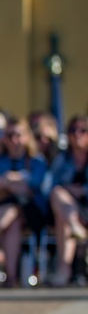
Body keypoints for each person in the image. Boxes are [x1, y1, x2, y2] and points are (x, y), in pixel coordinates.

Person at [0, 117, 49, 287]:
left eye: (19, 135)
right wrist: (11, 182)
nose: (14, 140)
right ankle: (11, 277)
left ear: (27, 137)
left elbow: (36, 184)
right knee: (12, 218)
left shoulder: (36, 160)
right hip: (4, 210)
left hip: (31, 212)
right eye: (10, 135)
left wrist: (8, 181)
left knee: (13, 209)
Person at [47, 114, 88, 286]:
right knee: (59, 195)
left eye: (83, 130)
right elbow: (48, 187)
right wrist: (69, 189)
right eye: (72, 130)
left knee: (63, 213)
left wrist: (83, 190)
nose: (77, 134)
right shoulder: (62, 159)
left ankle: (64, 270)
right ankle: (64, 269)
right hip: (67, 209)